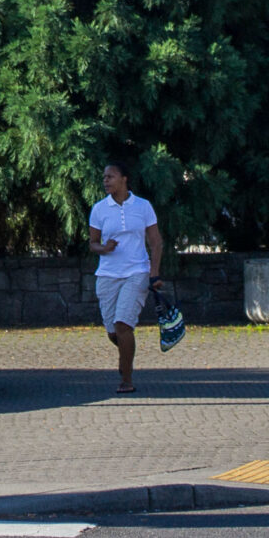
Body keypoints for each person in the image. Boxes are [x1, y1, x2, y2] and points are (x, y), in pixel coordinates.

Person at [88, 161, 163, 393]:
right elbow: (92, 244)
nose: (106, 181)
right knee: (114, 331)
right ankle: (125, 357)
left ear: (124, 179)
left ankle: (127, 378)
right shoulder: (99, 209)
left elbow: (155, 241)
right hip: (108, 274)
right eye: (104, 177)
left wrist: (154, 274)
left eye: (110, 176)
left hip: (136, 272)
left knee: (123, 324)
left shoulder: (143, 206)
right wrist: (105, 248)